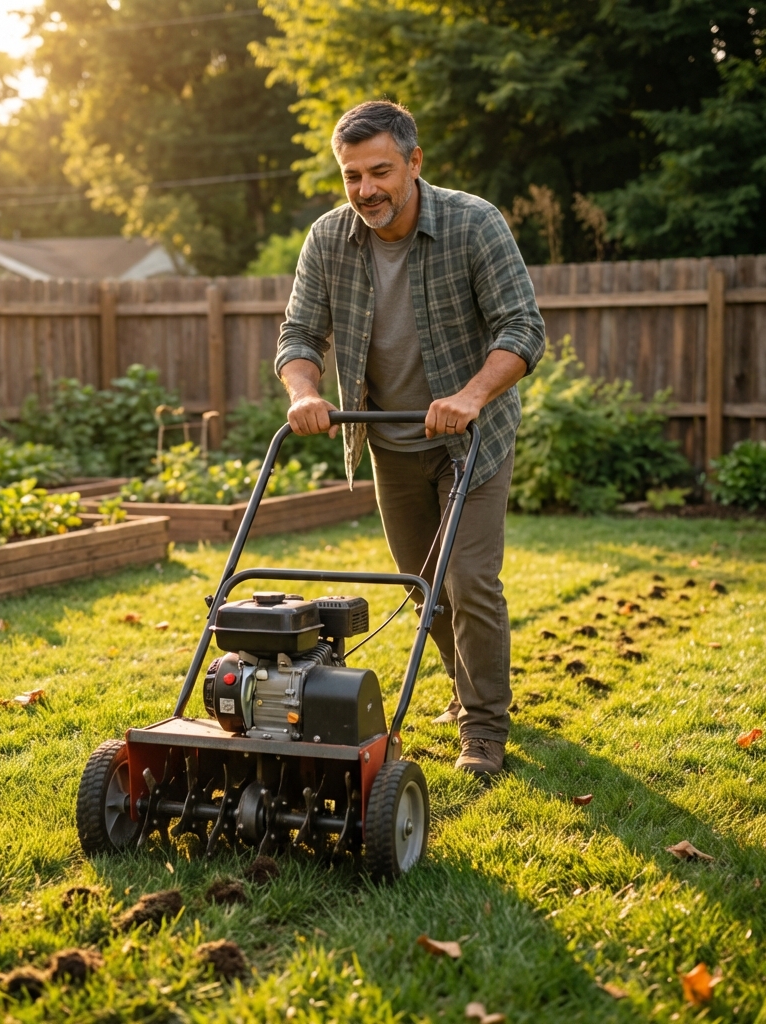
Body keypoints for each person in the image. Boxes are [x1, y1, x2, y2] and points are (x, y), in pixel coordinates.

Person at [276, 100, 545, 776]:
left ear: (414, 162)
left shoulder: (473, 223)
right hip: (390, 444)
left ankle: (484, 729)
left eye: (380, 171)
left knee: (469, 580)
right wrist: (304, 393)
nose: (365, 189)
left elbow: (522, 327)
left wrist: (469, 396)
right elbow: (300, 335)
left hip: (470, 441)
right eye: (352, 176)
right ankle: (462, 691)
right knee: (424, 585)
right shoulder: (328, 239)